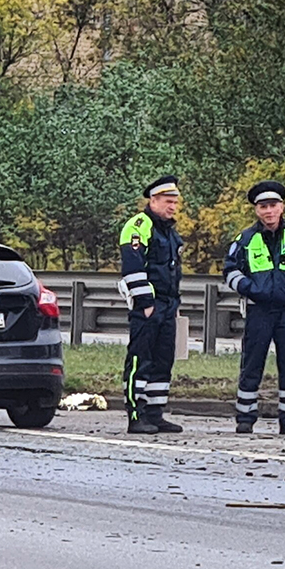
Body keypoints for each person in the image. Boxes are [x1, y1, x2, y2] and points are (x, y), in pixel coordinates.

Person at [223, 180, 285, 436]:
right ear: (256, 210)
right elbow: (230, 269)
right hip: (259, 311)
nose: (268, 211)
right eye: (263, 206)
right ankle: (245, 418)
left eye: (273, 205)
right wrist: (249, 288)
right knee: (252, 363)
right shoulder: (245, 238)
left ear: (282, 207)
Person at [118, 175, 185, 435]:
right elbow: (133, 268)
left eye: (175, 202)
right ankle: (136, 415)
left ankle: (156, 415)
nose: (172, 207)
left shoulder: (170, 232)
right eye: (168, 201)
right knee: (140, 359)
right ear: (153, 200)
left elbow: (172, 272)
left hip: (168, 305)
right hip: (148, 306)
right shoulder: (138, 225)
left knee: (163, 360)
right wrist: (146, 303)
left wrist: (174, 304)